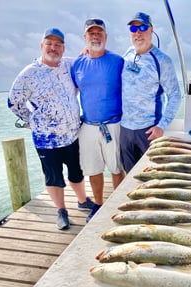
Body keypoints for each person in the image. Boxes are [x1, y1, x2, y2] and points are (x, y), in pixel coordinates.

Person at [7, 28, 95, 230]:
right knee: (54, 177)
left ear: (63, 48)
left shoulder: (68, 64)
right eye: (49, 44)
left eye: (58, 45)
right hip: (46, 140)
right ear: (42, 46)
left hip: (73, 135)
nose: (53, 48)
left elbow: (86, 56)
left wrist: (87, 48)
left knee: (77, 173)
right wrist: (31, 121)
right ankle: (61, 210)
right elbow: (13, 102)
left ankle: (82, 201)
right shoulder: (28, 73)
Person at [71, 19, 125, 220]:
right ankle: (99, 204)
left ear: (106, 36)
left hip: (114, 124)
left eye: (99, 33)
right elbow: (72, 91)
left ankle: (119, 203)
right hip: (89, 126)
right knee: (93, 168)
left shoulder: (118, 61)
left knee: (116, 167)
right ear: (85, 38)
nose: (95, 36)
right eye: (91, 33)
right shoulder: (77, 63)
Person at [120, 12, 182, 173]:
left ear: (151, 30)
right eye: (134, 28)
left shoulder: (162, 60)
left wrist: (161, 126)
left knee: (153, 177)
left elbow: (175, 95)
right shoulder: (127, 54)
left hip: (148, 131)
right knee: (129, 176)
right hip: (125, 130)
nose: (138, 32)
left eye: (142, 27)